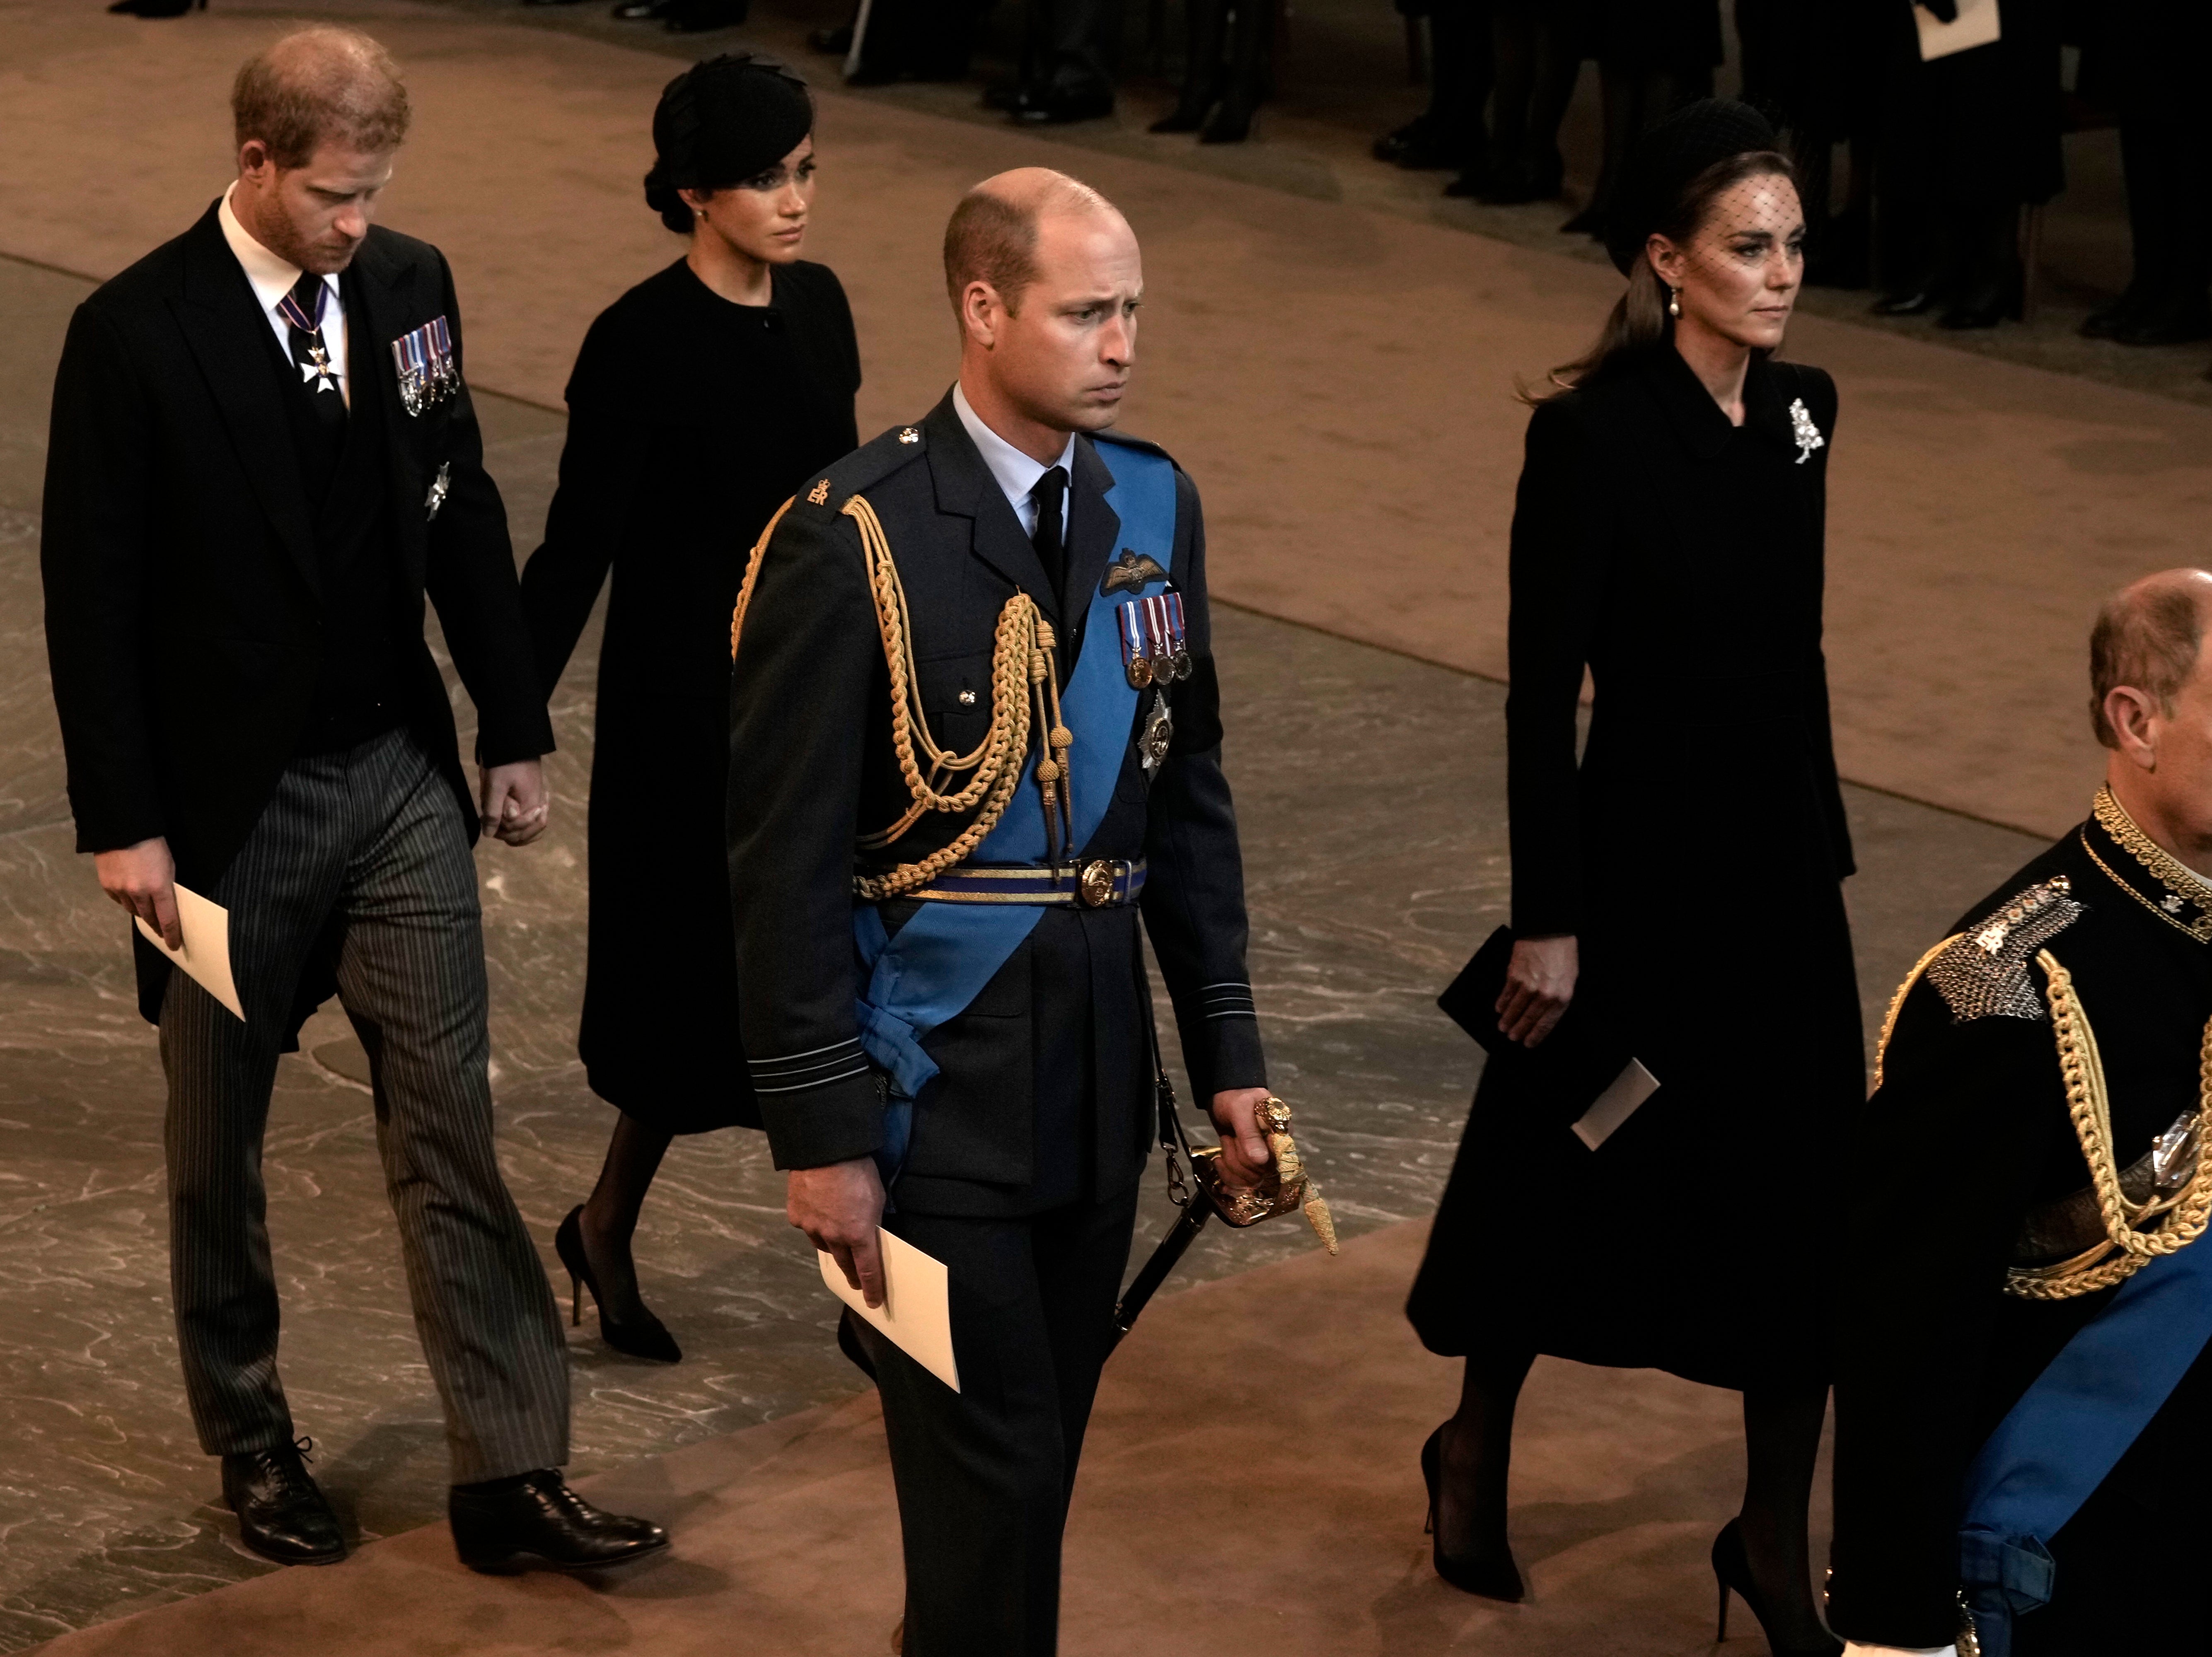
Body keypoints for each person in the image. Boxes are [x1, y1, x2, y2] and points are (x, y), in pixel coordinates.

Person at [38, 26, 665, 1575]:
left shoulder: (406, 289)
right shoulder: (135, 334)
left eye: (377, 191)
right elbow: (89, 594)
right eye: (334, 195)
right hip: (223, 814)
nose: (359, 223)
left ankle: (508, 1468)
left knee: (453, 1119)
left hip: (394, 775)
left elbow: (458, 507)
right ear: (256, 161)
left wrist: (511, 721)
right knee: (216, 1148)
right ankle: (250, 1436)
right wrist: (125, 823)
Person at [725, 167, 1274, 1654]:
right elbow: (777, 867)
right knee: (996, 1468)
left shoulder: (1154, 501)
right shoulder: (853, 535)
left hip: (1096, 1085)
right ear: (982, 310)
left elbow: (1186, 796)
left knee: (1026, 1482)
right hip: (932, 1099)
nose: (1122, 344)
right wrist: (823, 1141)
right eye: (1086, 312)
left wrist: (1226, 1052)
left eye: (1133, 311)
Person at [1405, 99, 1861, 1657]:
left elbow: (1786, 656)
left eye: (1794, 242)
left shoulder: (1806, 414)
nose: (1781, 271)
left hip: (1784, 884)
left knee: (1803, 1206)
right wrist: (1552, 915)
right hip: (1636, 887)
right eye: (1748, 245)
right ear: (1666, 258)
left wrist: (1823, 853)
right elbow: (1543, 693)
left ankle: (1770, 1546)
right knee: (1565, 1168)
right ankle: (1471, 1447)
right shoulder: (1589, 436)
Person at [520, 53, 860, 1363]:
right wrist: (512, 721)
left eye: (806, 170)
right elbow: (576, 548)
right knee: (685, 1002)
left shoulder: (823, 309)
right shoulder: (638, 341)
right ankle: (604, 1224)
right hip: (685, 719)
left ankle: (863, 1284)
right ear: (690, 193)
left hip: (814, 694)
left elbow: (844, 515)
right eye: (769, 179)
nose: (796, 199)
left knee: (832, 987)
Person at [1828, 571, 2212, 1657]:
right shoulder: (2004, 993)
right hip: (2093, 1561)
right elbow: (1905, 1336)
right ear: (2134, 723)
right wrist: (1891, 1626)